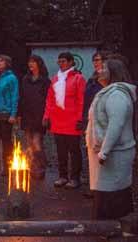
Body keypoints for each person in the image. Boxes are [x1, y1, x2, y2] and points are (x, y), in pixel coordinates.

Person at [86, 58, 136, 219]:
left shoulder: (117, 95)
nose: (99, 71)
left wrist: (104, 152)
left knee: (113, 193)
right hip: (107, 154)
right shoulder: (109, 92)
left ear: (113, 72)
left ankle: (110, 228)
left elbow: (116, 124)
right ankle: (105, 227)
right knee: (106, 192)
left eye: (103, 68)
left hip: (114, 154)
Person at [43, 52, 86, 189]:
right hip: (57, 120)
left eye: (63, 61)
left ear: (71, 62)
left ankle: (75, 178)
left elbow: (81, 100)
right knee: (60, 150)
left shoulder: (78, 78)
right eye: (59, 61)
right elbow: (50, 99)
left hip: (73, 120)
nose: (61, 64)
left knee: (74, 151)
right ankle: (62, 176)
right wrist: (46, 116)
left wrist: (80, 119)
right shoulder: (55, 79)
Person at [18, 55, 50, 179]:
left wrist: (47, 116)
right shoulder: (25, 79)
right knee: (29, 143)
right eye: (29, 62)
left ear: (39, 64)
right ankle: (32, 167)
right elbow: (22, 98)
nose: (30, 64)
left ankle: (40, 168)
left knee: (37, 143)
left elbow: (48, 100)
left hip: (39, 116)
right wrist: (19, 114)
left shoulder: (45, 81)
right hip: (27, 115)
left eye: (33, 62)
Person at [83, 51, 112, 128]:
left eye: (97, 60)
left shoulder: (110, 78)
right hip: (92, 116)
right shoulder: (92, 79)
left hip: (105, 117)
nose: (95, 63)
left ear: (105, 61)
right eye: (93, 61)